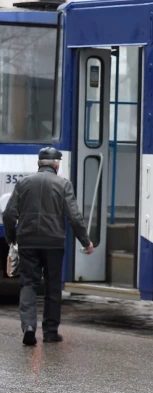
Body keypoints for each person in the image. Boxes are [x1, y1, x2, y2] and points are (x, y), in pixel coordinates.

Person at [2, 147, 94, 346]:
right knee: (53, 287)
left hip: (27, 242)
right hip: (53, 243)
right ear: (57, 165)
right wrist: (86, 242)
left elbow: (8, 214)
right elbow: (75, 218)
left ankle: (28, 327)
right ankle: (51, 332)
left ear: (38, 164)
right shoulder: (63, 185)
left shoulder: (23, 183)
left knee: (28, 284)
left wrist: (12, 239)